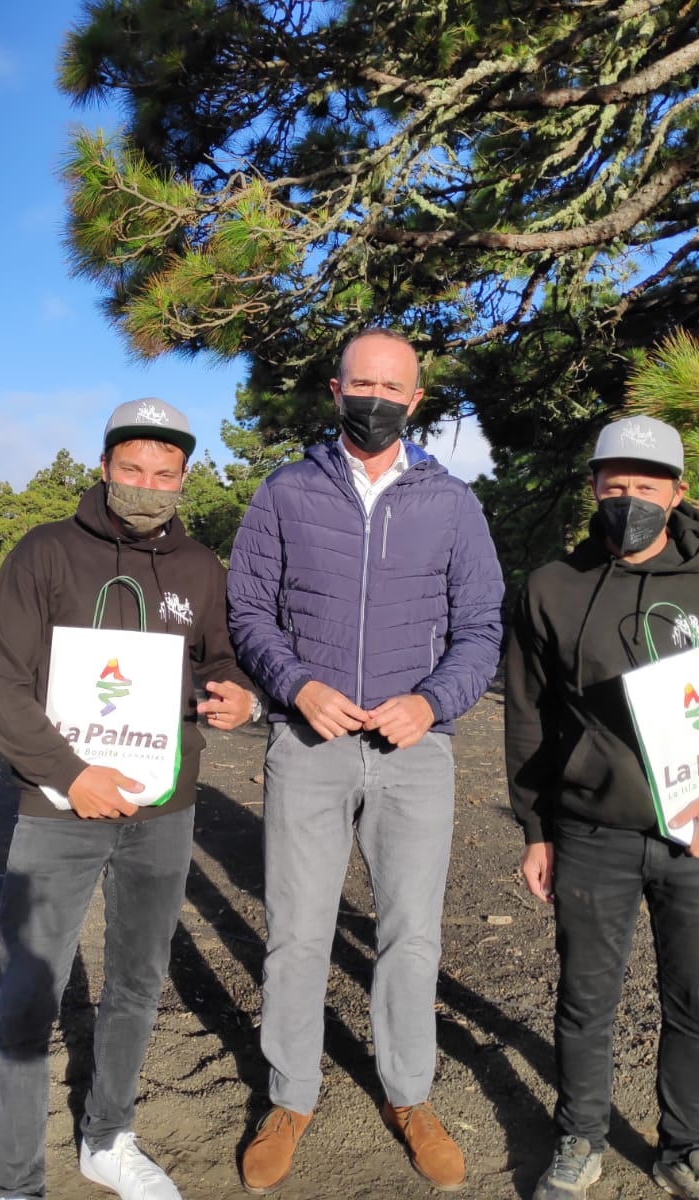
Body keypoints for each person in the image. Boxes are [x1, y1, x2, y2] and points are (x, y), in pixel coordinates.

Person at [227, 328, 505, 1195]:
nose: (377, 398)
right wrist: (295, 686)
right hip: (309, 743)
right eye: (363, 383)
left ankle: (409, 1094)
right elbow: (249, 612)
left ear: (416, 400)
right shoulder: (283, 493)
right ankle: (291, 1095)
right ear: (335, 388)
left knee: (411, 935)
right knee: (299, 933)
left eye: (394, 386)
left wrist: (432, 702)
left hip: (413, 749)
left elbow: (482, 628)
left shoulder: (451, 502)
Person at [505, 416, 699, 1200]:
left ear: (678, 493)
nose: (628, 499)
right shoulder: (550, 588)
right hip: (592, 833)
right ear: (593, 487)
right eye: (613, 484)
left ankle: (687, 1147)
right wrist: (535, 828)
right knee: (585, 1000)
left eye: (646, 485)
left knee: (698, 1001)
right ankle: (579, 1137)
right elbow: (529, 716)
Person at [0, 398, 258, 1200]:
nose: (147, 485)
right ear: (103, 467)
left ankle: (108, 1138)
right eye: (132, 469)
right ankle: (15, 1179)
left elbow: (221, 660)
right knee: (29, 988)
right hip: (58, 811)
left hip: (163, 809)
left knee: (137, 978)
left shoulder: (201, 566)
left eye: (165, 474)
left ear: (184, 480)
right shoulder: (45, 553)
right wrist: (70, 775)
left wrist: (237, 696)